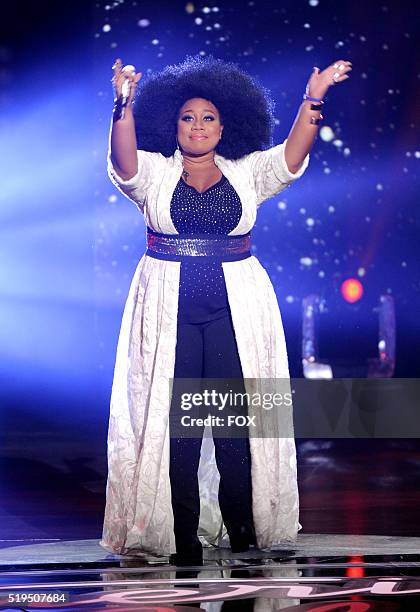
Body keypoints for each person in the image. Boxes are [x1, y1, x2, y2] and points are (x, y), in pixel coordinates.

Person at [99, 54, 352, 565]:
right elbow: (124, 162)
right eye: (188, 117)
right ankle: (183, 537)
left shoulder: (246, 172)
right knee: (178, 431)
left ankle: (243, 531)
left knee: (236, 423)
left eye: (208, 117)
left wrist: (314, 97)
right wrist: (122, 106)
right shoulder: (154, 172)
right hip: (169, 313)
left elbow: (291, 158)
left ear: (225, 125)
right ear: (172, 124)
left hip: (235, 312)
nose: (197, 126)